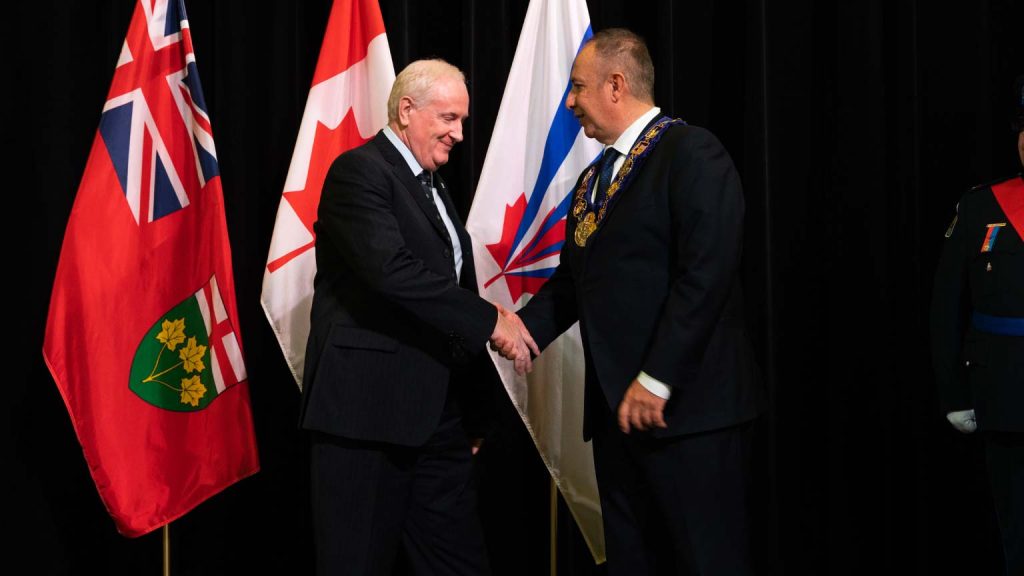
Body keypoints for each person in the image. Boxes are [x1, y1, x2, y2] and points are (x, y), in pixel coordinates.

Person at [509, 28, 763, 575]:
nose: (571, 102)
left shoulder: (691, 152)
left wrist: (657, 377)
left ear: (616, 85)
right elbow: (574, 284)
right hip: (616, 421)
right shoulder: (591, 180)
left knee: (706, 561)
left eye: (578, 88)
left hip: (688, 414)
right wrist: (518, 329)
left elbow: (708, 273)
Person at [299, 59, 535, 576]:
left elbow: (450, 290)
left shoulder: (432, 183)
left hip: (438, 419)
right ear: (407, 110)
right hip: (366, 417)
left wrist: (473, 412)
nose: (458, 133)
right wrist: (491, 319)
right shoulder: (359, 172)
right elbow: (393, 273)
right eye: (449, 118)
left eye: (463, 122)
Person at [930, 74, 1023, 576]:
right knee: (1015, 527)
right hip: (1004, 394)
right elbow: (946, 307)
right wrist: (954, 393)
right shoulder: (981, 205)